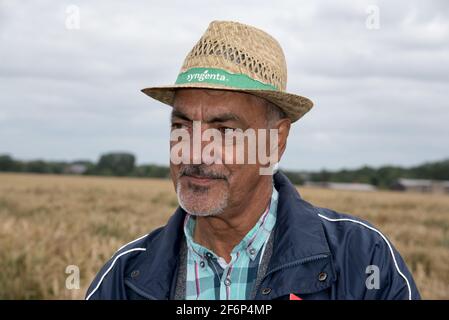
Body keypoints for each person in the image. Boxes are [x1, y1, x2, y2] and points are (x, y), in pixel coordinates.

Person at [86, 20, 420, 300]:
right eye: (181, 126)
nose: (193, 152)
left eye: (225, 131)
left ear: (276, 141)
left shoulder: (363, 260)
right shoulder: (125, 278)